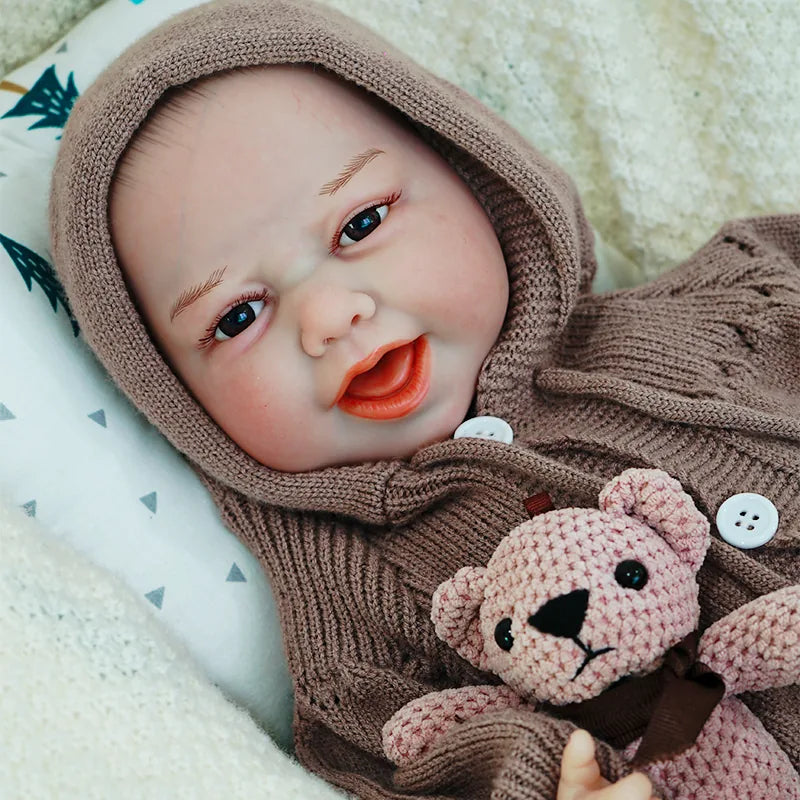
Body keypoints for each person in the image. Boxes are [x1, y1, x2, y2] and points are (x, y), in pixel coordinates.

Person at [50, 0, 800, 798]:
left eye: (361, 222)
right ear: (181, 406)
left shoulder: (731, 304)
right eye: (237, 316)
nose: (330, 316)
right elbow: (396, 761)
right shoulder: (348, 607)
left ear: (477, 176)